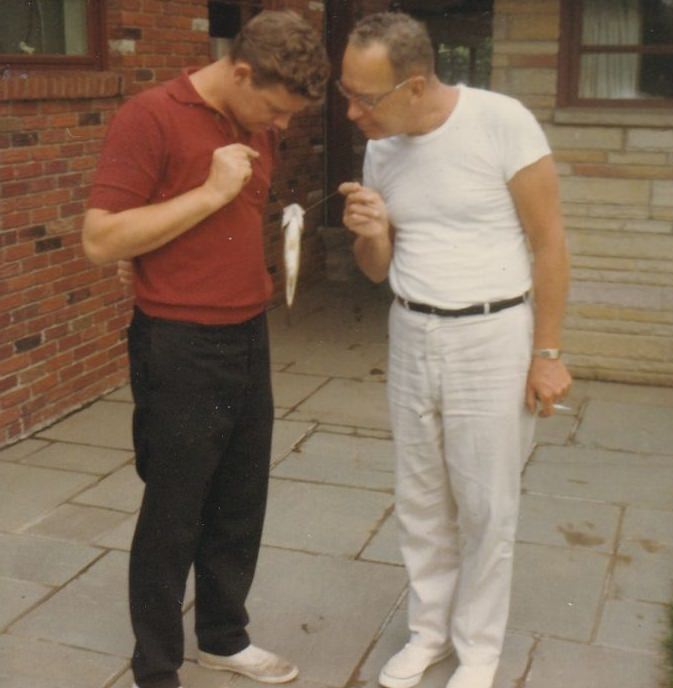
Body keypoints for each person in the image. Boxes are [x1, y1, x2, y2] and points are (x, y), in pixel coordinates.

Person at [82, 11, 329, 688]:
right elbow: (100, 239)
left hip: (247, 332)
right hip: (179, 343)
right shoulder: (149, 116)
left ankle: (223, 637)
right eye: (275, 109)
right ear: (242, 72)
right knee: (174, 512)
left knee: (240, 501)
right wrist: (210, 191)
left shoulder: (253, 120)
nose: (278, 126)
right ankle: (156, 669)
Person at [338, 12, 571, 688]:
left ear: (415, 85)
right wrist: (371, 231)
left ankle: (478, 651)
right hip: (411, 332)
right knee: (418, 498)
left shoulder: (501, 121)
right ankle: (427, 634)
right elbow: (376, 268)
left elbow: (548, 242)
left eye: (365, 97)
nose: (352, 112)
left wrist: (546, 351)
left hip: (491, 335)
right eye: (344, 94)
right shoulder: (381, 146)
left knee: (485, 502)